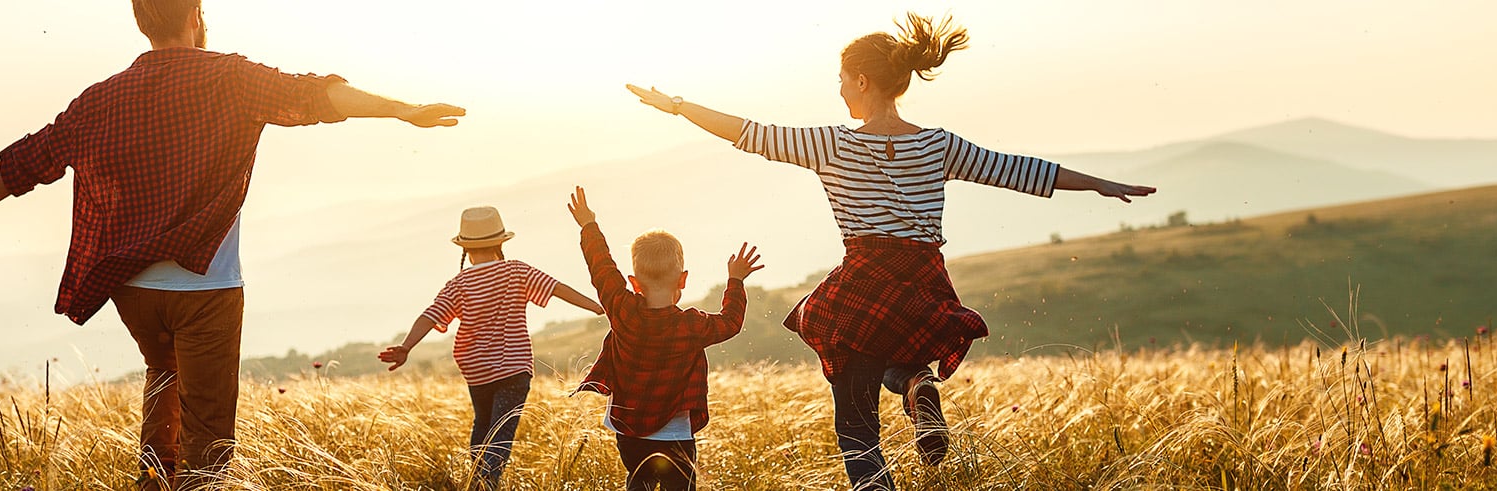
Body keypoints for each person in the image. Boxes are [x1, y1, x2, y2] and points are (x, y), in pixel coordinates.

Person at [0, 1, 465, 488]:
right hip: (206, 289)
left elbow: (28, 161)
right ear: (196, 15)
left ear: (142, 22)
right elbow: (317, 96)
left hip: (132, 291)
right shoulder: (231, 79)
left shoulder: (102, 98)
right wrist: (403, 110)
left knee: (162, 375)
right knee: (210, 439)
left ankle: (152, 479)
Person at [624, 11, 1156, 490]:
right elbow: (1021, 170)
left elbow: (747, 133)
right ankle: (918, 382)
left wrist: (676, 106)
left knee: (857, 428)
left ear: (861, 79)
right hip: (924, 277)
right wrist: (1101, 184)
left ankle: (885, 458)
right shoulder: (939, 144)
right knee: (897, 355)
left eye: (841, 80)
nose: (838, 91)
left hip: (864, 275)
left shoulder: (832, 143)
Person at [377, 206, 604, 491]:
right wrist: (596, 305)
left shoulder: (458, 284)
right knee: (501, 434)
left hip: (476, 372)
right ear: (500, 242)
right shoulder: (516, 271)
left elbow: (430, 315)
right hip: (513, 368)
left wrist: (406, 346)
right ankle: (486, 484)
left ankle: (476, 481)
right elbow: (557, 288)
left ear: (464, 248)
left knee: (482, 427)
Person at [564, 186, 755, 491]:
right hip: (675, 435)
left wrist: (589, 225)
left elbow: (601, 267)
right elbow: (731, 322)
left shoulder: (622, 309)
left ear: (633, 282)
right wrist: (735, 281)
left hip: (628, 432)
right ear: (683, 279)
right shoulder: (691, 326)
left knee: (638, 481)